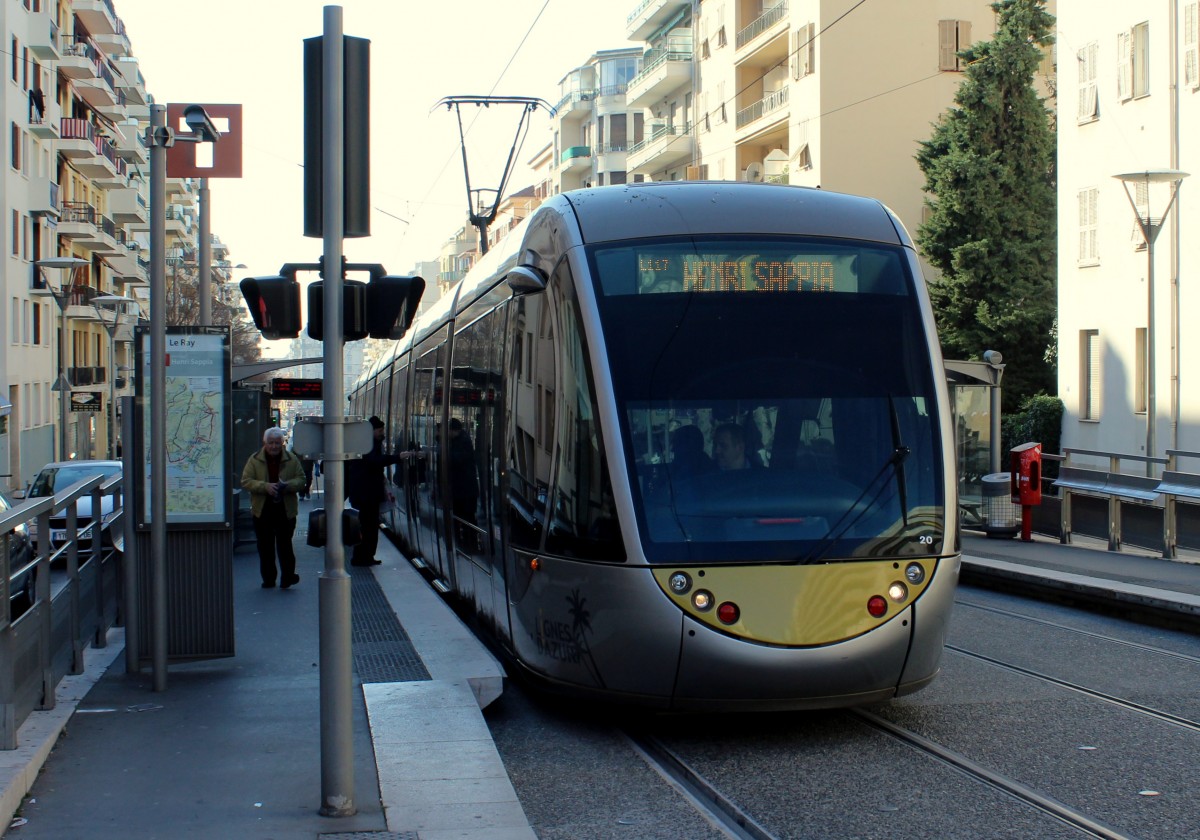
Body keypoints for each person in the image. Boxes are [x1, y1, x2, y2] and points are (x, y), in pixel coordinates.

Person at [241, 427, 306, 589]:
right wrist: (265, 487)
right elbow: (246, 481)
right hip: (262, 510)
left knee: (285, 546)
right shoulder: (254, 460)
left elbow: (302, 479)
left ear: (283, 443)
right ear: (265, 443)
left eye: (277, 443)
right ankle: (269, 579)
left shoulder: (291, 459)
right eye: (271, 443)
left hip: (285, 510)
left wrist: (287, 486)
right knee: (265, 547)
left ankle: (287, 578)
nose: (274, 446)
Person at [346, 416, 399, 566]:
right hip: (366, 494)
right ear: (372, 431)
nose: (383, 433)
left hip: (366, 493)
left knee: (368, 526)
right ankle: (363, 557)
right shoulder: (367, 445)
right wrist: (397, 457)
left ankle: (365, 556)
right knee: (368, 526)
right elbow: (374, 461)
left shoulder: (367, 443)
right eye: (380, 430)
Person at [447, 418, 480, 545]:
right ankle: (467, 539)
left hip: (464, 489)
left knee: (467, 516)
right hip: (463, 489)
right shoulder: (461, 440)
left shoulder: (463, 441)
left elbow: (459, 459)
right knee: (466, 516)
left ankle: (469, 541)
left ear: (453, 430)